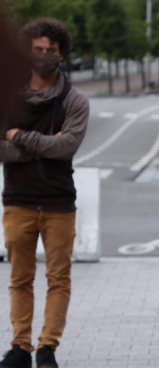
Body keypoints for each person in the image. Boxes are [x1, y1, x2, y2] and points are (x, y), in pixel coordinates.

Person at [0, 18, 89, 368]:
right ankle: (20, 347)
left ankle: (47, 347)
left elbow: (67, 146)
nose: (43, 56)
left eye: (50, 51)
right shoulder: (7, 95)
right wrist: (43, 145)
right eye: (37, 50)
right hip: (18, 200)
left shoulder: (74, 99)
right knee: (19, 278)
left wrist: (17, 136)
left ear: (62, 54)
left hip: (59, 203)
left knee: (58, 279)